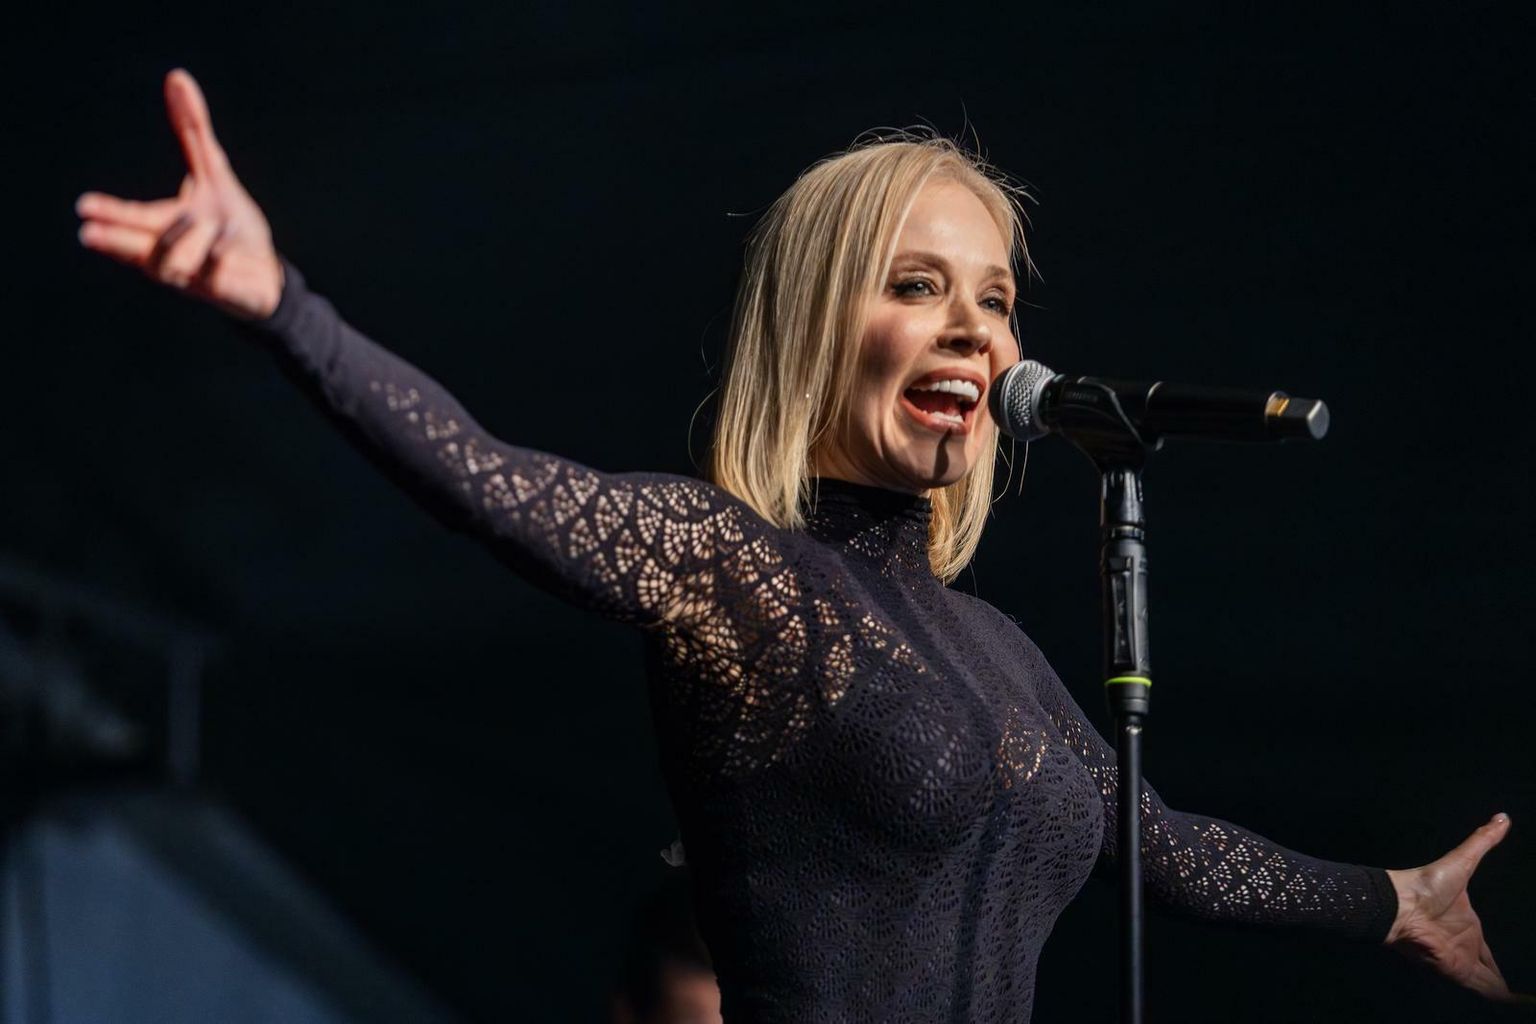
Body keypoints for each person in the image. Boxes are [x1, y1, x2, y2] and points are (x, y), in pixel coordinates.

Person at [76, 68, 1527, 1021]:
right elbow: (490, 481)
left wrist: (1391, 904)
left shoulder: (1002, 655)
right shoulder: (734, 570)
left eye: (997, 299)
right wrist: (286, 309)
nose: (976, 329)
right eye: (917, 285)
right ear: (821, 325)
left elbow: (1173, 850)